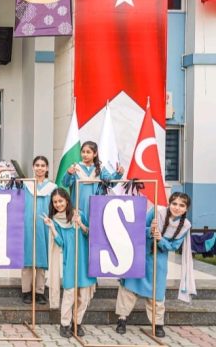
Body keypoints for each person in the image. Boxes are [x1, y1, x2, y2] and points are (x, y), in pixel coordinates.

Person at [115, 192, 196, 338]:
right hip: (140, 253)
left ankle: (158, 323)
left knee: (157, 292)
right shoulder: (156, 212)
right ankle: (122, 319)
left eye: (181, 205)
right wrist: (150, 231)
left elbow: (173, 246)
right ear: (169, 203)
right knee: (129, 287)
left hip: (159, 260)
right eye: (174, 203)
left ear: (186, 209)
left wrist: (161, 239)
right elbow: (137, 227)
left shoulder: (185, 225)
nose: (177, 207)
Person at [44, 188, 96, 338]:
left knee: (83, 296)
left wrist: (81, 224)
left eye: (60, 201)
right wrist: (52, 227)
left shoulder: (79, 214)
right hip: (70, 262)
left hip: (84, 261)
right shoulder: (55, 220)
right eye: (55, 202)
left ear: (67, 200)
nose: (58, 204)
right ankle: (65, 324)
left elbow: (92, 234)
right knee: (69, 294)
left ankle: (77, 323)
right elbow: (61, 243)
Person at [20, 156, 56, 305]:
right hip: (27, 224)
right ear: (33, 167)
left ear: (47, 168)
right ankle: (26, 291)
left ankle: (39, 291)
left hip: (44, 225)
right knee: (27, 258)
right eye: (37, 165)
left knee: (42, 258)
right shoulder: (26, 185)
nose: (40, 168)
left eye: (43, 165)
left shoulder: (52, 187)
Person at [62, 141, 124, 217]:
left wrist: (118, 174)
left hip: (96, 207)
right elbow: (65, 183)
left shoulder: (100, 169)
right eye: (83, 152)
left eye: (88, 152)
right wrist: (68, 173)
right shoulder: (75, 168)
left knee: (94, 222)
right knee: (79, 222)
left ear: (95, 154)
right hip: (78, 207)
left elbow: (110, 182)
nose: (85, 154)